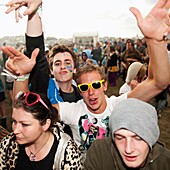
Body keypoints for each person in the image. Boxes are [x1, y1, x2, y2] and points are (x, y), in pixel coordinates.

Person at [2, 0, 170, 160]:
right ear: (78, 88)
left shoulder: (118, 105)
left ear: (104, 85)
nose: (91, 92)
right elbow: (28, 111)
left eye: (96, 85)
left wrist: (155, 41)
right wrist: (22, 76)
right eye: (84, 87)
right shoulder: (74, 110)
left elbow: (159, 83)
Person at [0, 91, 83, 169]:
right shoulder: (8, 144)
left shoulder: (67, 153)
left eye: (25, 125)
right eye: (14, 121)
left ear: (45, 125)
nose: (15, 131)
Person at [84, 98, 170, 170]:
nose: (128, 150)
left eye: (138, 138)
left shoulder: (166, 163)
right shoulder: (99, 152)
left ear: (151, 138)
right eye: (120, 138)